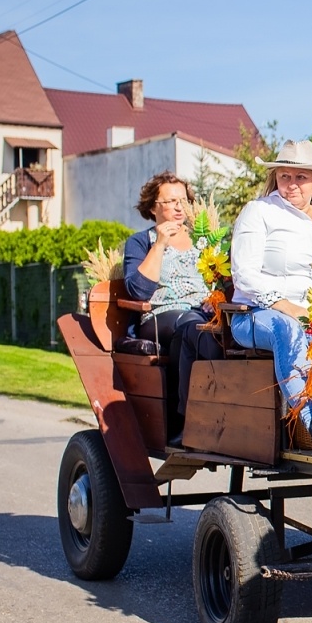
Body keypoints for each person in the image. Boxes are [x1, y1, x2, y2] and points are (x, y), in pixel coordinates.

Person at [228, 139, 312, 450]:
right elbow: (243, 272)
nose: (292, 185)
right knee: (287, 329)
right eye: (285, 176)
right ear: (276, 178)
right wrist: (286, 306)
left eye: (301, 177)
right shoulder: (259, 212)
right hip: (256, 315)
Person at [120, 172, 214, 443]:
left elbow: (226, 280)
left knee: (213, 330)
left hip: (204, 313)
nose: (178, 207)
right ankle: (186, 421)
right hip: (160, 315)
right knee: (191, 327)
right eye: (170, 201)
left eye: (183, 201)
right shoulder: (141, 241)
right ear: (153, 207)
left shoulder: (203, 239)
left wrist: (217, 297)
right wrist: (160, 244)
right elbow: (138, 290)